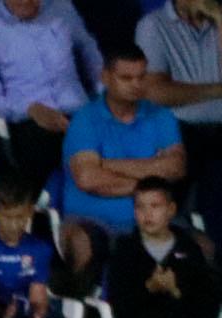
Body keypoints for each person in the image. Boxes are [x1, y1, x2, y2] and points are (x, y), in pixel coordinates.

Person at [64, 46, 187, 277]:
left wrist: (108, 165)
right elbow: (89, 179)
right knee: (82, 244)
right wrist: (150, 179)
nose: (136, 85)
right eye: (126, 78)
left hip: (158, 218)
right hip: (93, 220)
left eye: (141, 77)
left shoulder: (161, 115)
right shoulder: (85, 120)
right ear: (106, 77)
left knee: (203, 246)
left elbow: (176, 168)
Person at [0, 0, 102, 194]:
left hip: (79, 111)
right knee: (44, 148)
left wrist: (105, 93)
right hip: (30, 120)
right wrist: (30, 109)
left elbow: (90, 53)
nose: (28, 2)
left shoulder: (62, 9)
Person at [105, 177, 222, 318]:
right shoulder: (125, 250)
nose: (147, 214)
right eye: (140, 207)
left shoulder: (189, 248)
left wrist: (176, 291)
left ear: (171, 210)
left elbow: (208, 301)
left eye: (155, 206)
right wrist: (149, 288)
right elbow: (119, 304)